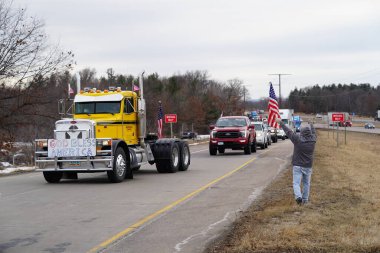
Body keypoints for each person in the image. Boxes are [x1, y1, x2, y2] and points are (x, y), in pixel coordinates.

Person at [275, 117, 317, 205]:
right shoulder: (313, 139)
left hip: (297, 165)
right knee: (306, 183)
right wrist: (311, 124)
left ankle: (298, 197)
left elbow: (288, 132)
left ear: (301, 133)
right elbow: (314, 132)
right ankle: (305, 200)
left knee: (296, 183)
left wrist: (281, 123)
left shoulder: (298, 140)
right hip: (308, 165)